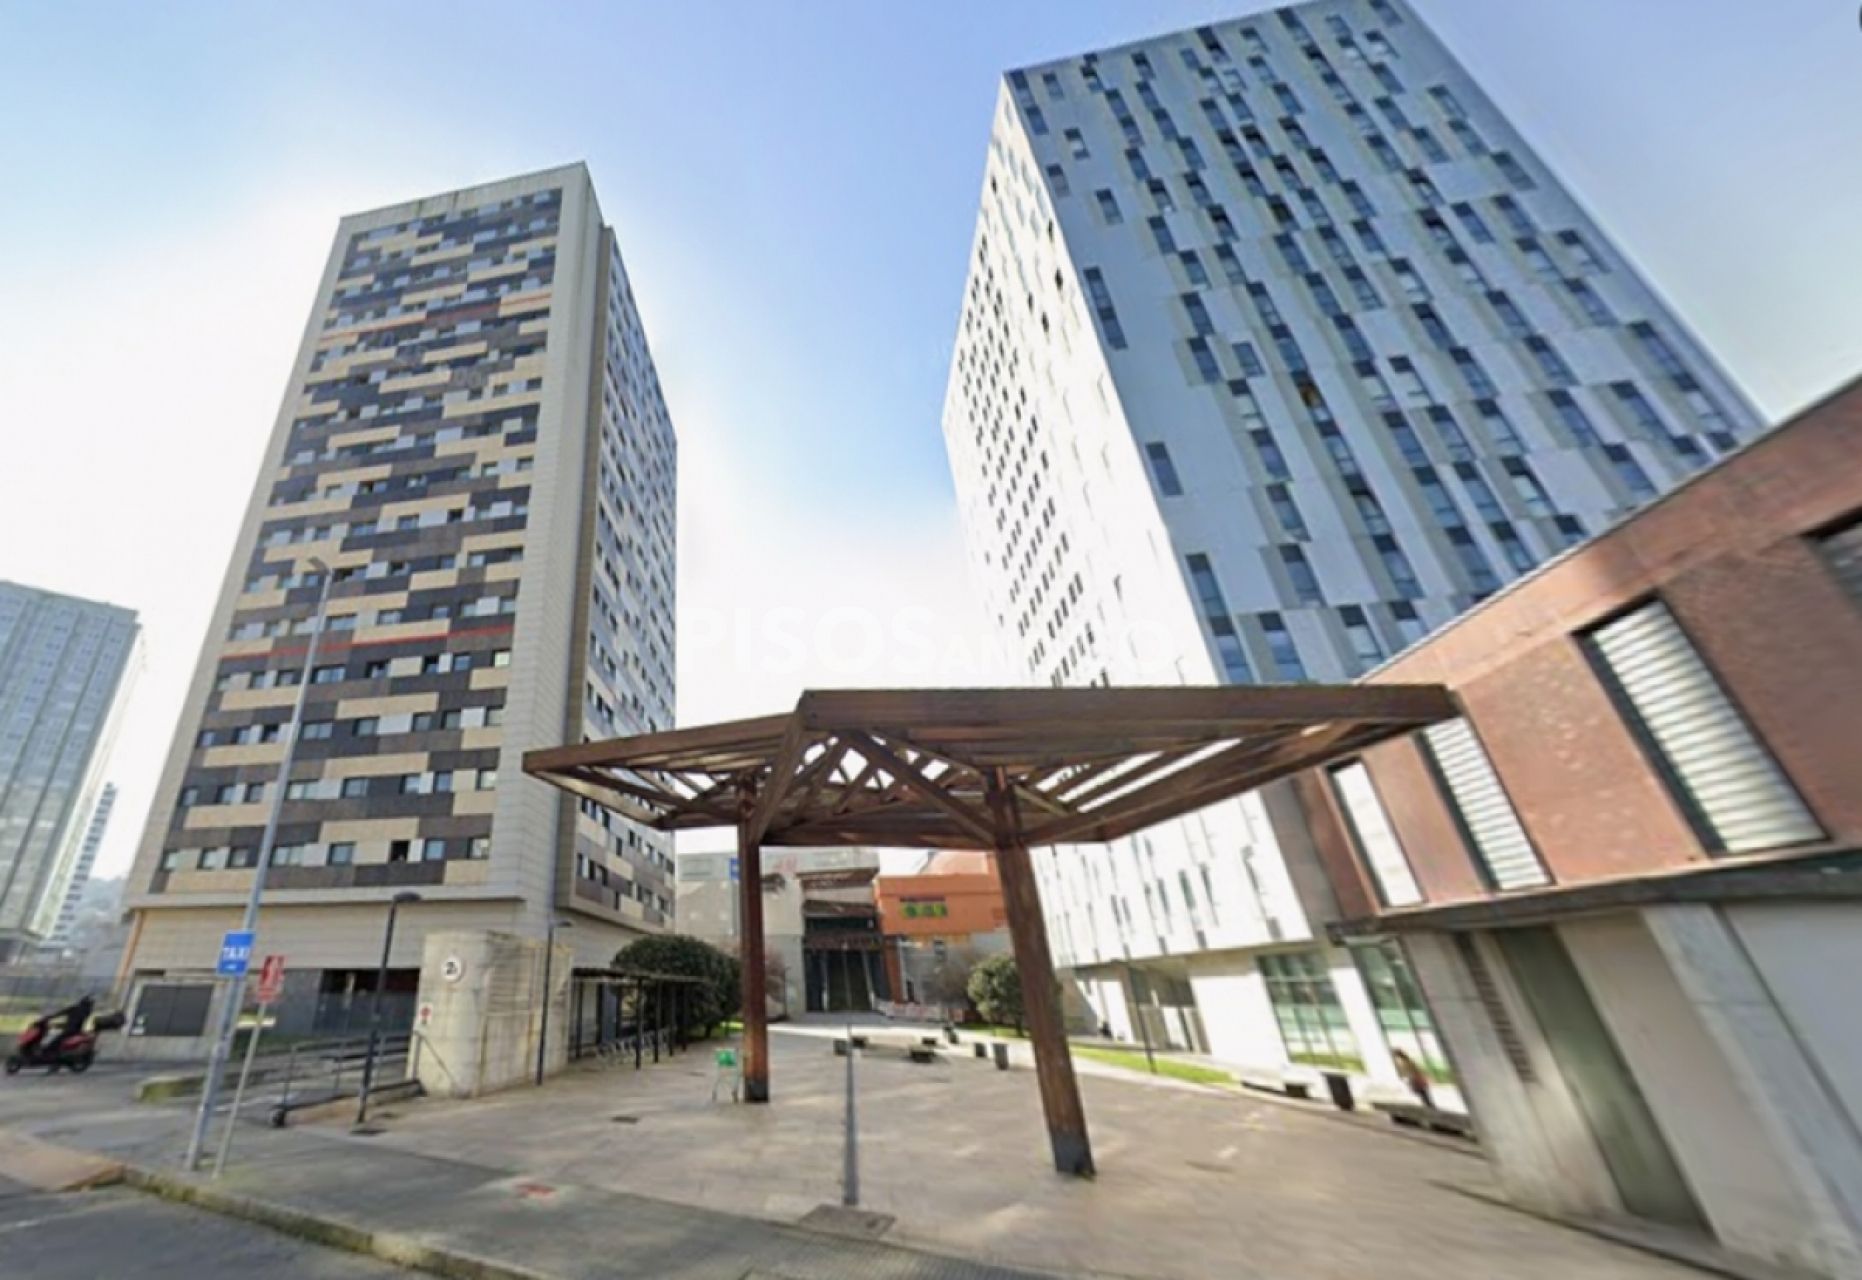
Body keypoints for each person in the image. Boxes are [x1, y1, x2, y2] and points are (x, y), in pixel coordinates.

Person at [44, 994, 94, 1059]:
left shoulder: (75, 1009)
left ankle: (47, 1052)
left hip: (70, 1030)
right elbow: (71, 1020)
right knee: (57, 1039)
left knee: (56, 1041)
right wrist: (56, 1023)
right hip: (75, 1030)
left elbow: (62, 1014)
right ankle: (51, 1052)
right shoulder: (86, 1011)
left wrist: (50, 1017)